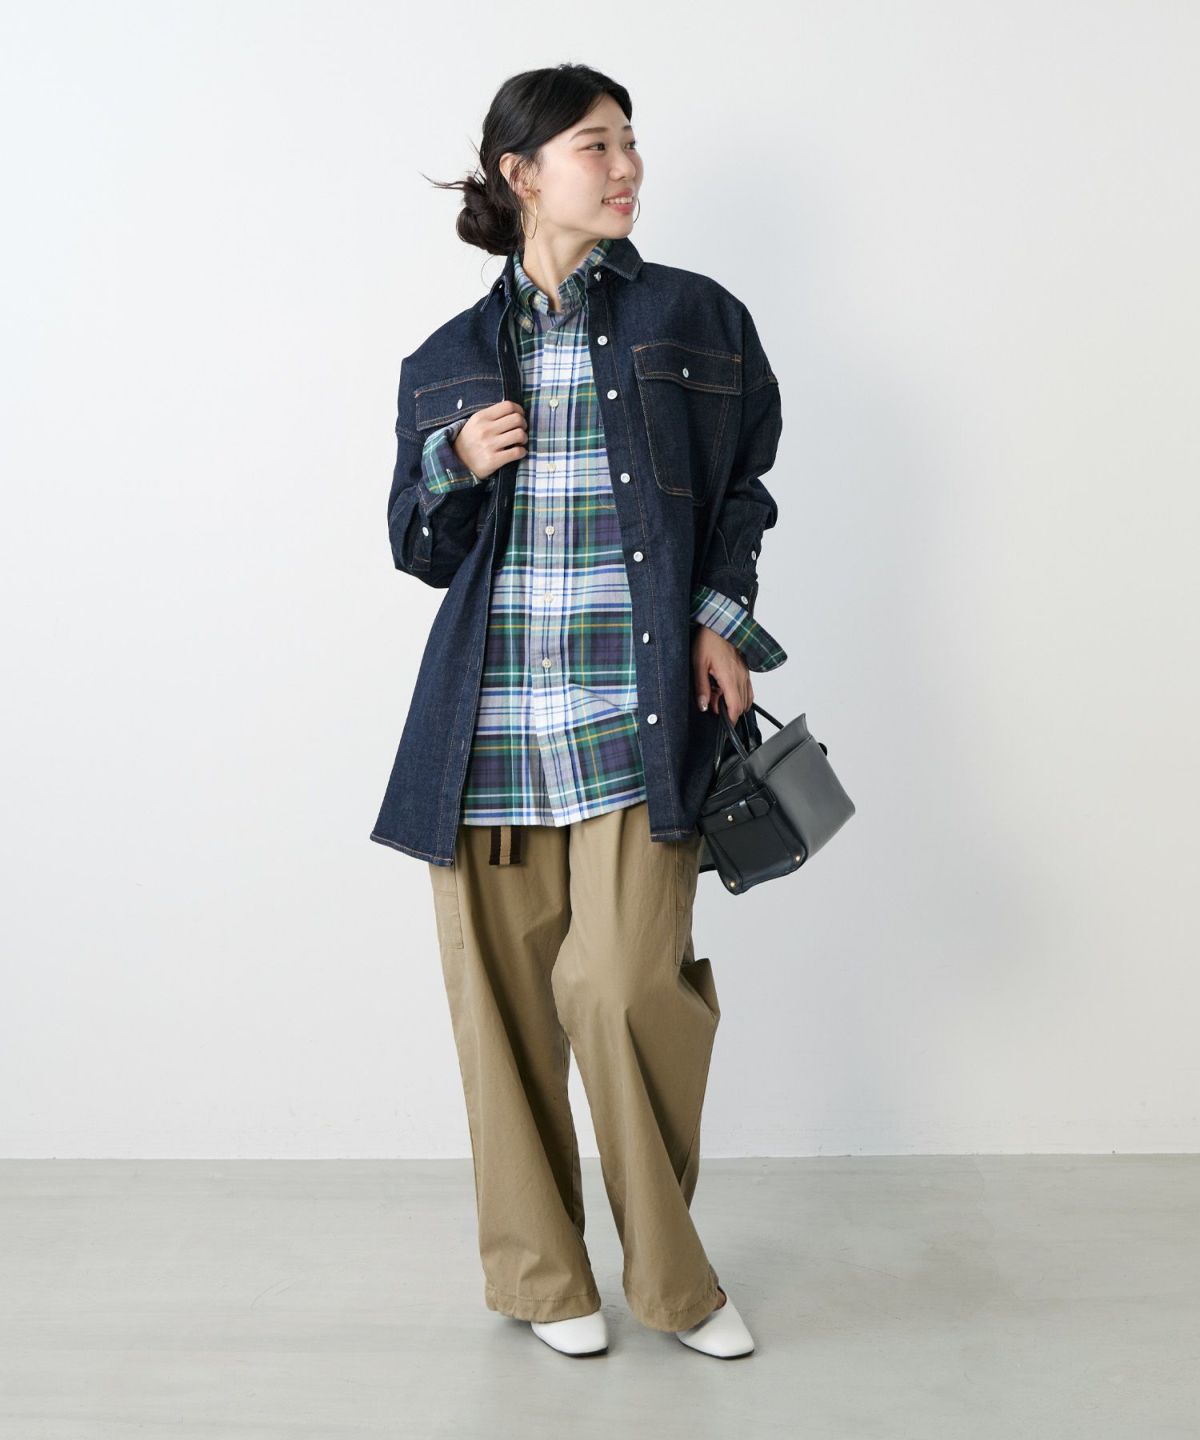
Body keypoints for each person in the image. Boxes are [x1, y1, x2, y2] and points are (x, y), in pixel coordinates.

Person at [370, 63, 788, 1359]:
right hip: (487, 731)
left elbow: (745, 488)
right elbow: (418, 546)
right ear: (521, 174)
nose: (626, 167)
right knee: (502, 1023)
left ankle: (674, 1282)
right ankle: (542, 1282)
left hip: (633, 718)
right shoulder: (444, 361)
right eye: (595, 146)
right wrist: (452, 465)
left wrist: (720, 619)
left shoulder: (693, 317)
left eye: (630, 143)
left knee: (624, 989)